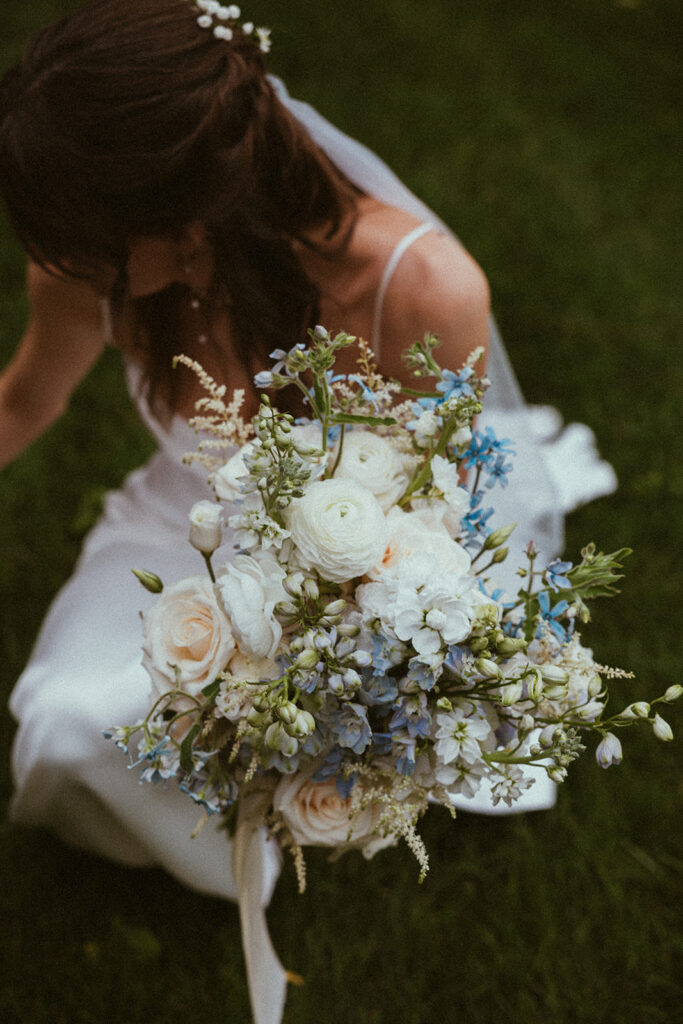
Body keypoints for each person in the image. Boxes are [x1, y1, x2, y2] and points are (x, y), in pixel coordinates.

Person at [0, 0, 616, 904]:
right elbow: (21, 399)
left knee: (271, 741)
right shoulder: (84, 256)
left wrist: (314, 651)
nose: (57, 259)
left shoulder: (417, 287)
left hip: (355, 567)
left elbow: (432, 511)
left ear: (188, 217)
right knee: (65, 732)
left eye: (89, 242)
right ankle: (211, 842)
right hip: (187, 522)